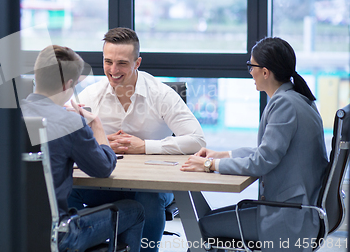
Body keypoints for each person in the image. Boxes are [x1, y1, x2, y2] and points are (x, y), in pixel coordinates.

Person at [181, 37, 328, 251]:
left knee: (202, 226)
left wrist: (209, 165)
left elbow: (261, 162)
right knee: (208, 220)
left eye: (251, 66)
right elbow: (268, 152)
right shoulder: (296, 98)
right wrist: (222, 155)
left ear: (266, 72)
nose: (250, 72)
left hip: (287, 216)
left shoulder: (284, 104)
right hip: (294, 209)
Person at [68, 27, 205, 251]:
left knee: (148, 199)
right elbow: (67, 138)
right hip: (106, 181)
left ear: (137, 63)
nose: (113, 70)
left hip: (151, 184)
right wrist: (100, 143)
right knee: (65, 190)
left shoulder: (161, 95)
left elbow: (197, 140)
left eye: (122, 63)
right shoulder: (91, 95)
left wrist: (144, 146)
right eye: (108, 61)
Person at [21, 45, 145, 252]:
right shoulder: (69, 123)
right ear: (67, 85)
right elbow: (103, 168)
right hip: (56, 237)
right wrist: (96, 125)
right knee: (135, 210)